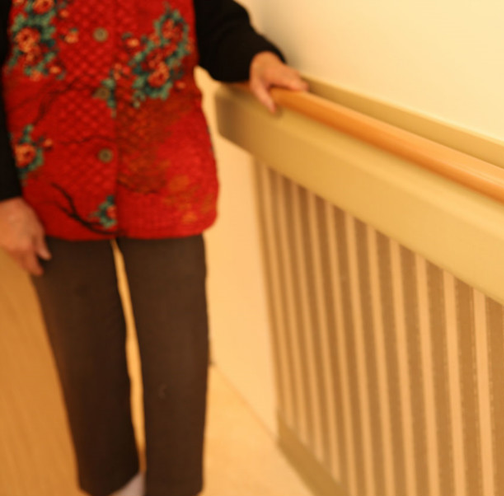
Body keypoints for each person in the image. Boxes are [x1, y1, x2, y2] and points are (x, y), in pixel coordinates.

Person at [0, 0, 307, 495]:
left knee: (178, 359)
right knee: (85, 362)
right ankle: (114, 487)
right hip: (52, 185)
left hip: (165, 175)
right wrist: (5, 200)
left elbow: (215, 22)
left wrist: (256, 58)